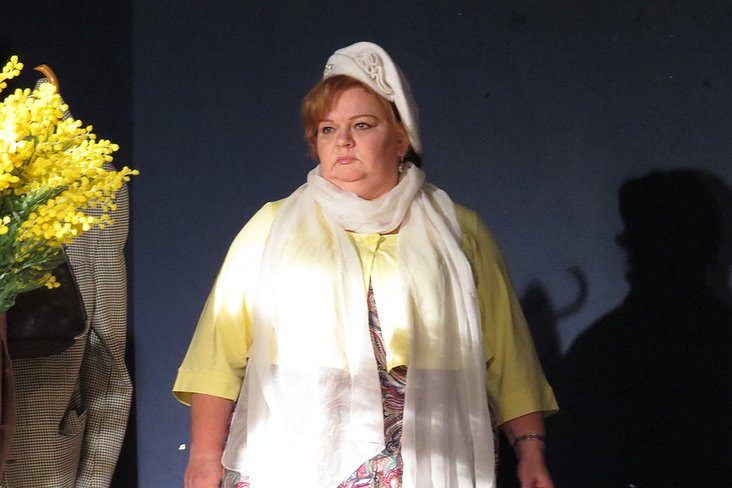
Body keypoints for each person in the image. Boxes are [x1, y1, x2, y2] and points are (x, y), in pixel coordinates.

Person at [173, 41, 557, 488]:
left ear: (401, 138)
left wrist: (530, 449)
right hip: (297, 452)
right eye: (328, 129)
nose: (344, 141)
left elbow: (507, 353)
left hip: (426, 454)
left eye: (362, 125)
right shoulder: (273, 226)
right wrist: (204, 455)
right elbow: (217, 351)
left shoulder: (457, 230)